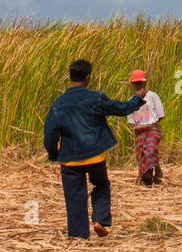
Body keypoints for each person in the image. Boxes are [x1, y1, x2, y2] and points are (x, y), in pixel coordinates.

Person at [43, 59, 145, 239]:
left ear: (70, 77)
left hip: (69, 159)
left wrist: (53, 153)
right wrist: (137, 98)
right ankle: (100, 219)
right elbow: (121, 109)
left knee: (75, 198)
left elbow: (50, 132)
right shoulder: (96, 98)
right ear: (88, 77)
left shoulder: (58, 103)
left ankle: (78, 237)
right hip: (95, 156)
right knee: (101, 184)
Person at [126, 69, 165, 186]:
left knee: (150, 151)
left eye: (140, 83)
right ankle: (148, 177)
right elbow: (132, 120)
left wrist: (152, 126)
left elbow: (160, 114)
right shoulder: (131, 101)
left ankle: (156, 171)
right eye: (135, 83)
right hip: (140, 131)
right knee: (142, 156)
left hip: (152, 129)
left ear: (145, 83)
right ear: (132, 85)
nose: (138, 85)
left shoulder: (152, 96)